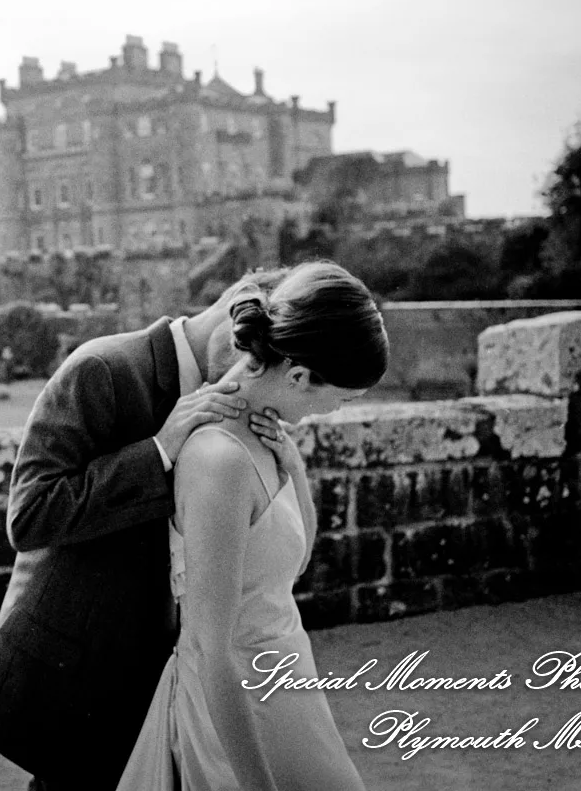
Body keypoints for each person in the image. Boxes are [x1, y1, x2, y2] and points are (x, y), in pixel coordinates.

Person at [0, 267, 306, 791]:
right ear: (239, 303)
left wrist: (291, 466)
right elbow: (30, 516)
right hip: (75, 673)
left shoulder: (247, 397)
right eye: (250, 353)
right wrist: (159, 451)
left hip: (169, 678)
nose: (249, 373)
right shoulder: (103, 368)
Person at [115, 261, 387, 790]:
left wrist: (295, 467)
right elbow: (210, 650)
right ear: (301, 376)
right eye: (345, 397)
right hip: (239, 704)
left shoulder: (265, 438)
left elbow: (295, 562)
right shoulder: (219, 459)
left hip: (286, 678)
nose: (336, 410)